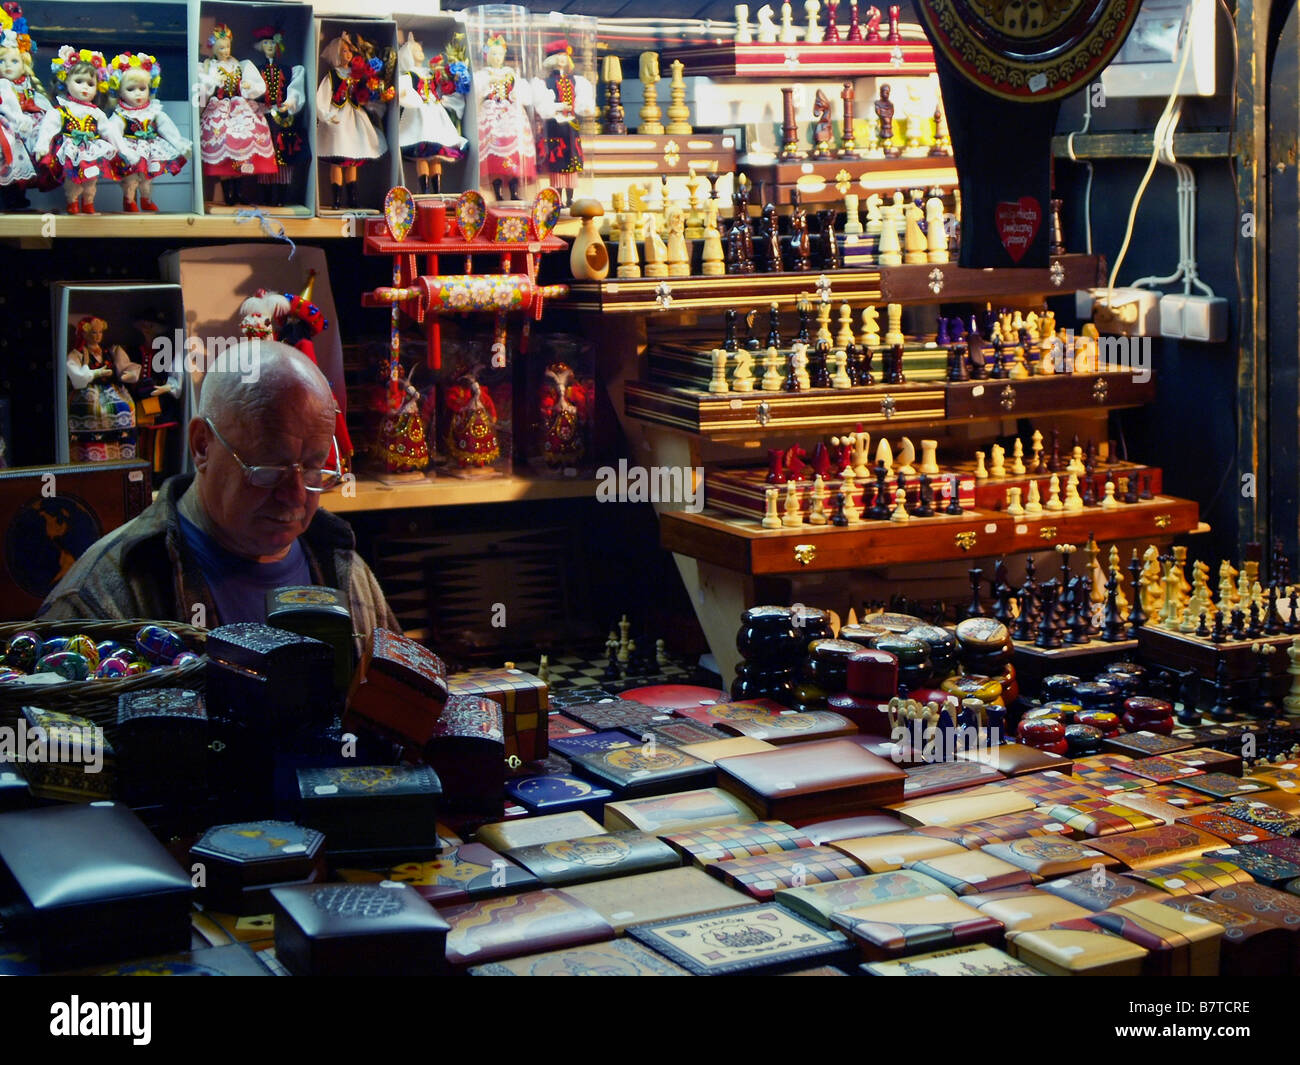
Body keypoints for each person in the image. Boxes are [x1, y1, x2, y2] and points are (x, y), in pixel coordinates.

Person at [39, 342, 398, 648]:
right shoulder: (104, 595)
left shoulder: (343, 567)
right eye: (268, 470)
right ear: (202, 445)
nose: (295, 496)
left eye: (314, 468)